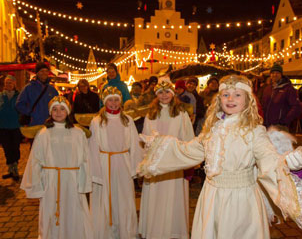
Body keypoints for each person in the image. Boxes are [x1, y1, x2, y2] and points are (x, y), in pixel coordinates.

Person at [138, 74, 302, 239]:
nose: (230, 99)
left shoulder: (254, 132)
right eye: (226, 94)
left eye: (237, 94)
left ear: (247, 100)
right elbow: (188, 151)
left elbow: (269, 160)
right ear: (219, 99)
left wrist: (290, 166)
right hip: (211, 197)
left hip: (241, 200)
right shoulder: (212, 130)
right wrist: (159, 145)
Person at [20, 96, 93, 238]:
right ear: (49, 112)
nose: (58, 112)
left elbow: (85, 159)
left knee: (74, 212)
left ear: (68, 112)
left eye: (62, 109)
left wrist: (84, 182)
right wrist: (36, 184)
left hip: (72, 180)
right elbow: (35, 160)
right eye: (54, 109)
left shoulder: (78, 133)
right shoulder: (43, 134)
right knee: (50, 214)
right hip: (50, 180)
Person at [139, 80, 194, 239]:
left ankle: (173, 230)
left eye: (167, 92)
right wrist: (147, 159)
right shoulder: (151, 114)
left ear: (173, 93)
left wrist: (186, 158)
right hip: (155, 163)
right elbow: (146, 137)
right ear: (156, 95)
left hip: (174, 163)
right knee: (156, 196)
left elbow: (188, 138)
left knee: (173, 196)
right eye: (161, 92)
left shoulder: (181, 113)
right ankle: (154, 230)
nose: (164, 95)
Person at [89, 86, 142, 239]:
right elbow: (92, 146)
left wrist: (135, 168)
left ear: (121, 101)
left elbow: (135, 144)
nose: (113, 103)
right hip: (104, 163)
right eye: (110, 100)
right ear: (104, 101)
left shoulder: (128, 120)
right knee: (104, 198)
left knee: (124, 198)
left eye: (116, 100)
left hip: (123, 163)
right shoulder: (97, 121)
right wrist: (95, 171)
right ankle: (104, 232)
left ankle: (125, 231)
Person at [262, 63, 302, 130]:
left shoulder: (288, 89)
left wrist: (284, 120)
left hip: (280, 126)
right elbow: (263, 105)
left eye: (277, 73)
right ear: (270, 75)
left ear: (281, 74)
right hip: (266, 125)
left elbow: (297, 107)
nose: (275, 75)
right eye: (273, 73)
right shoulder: (267, 89)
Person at [0, 74, 21, 181]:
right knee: (7, 149)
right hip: (3, 127)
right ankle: (10, 167)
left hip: (15, 126)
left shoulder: (19, 96)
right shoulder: (0, 96)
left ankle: (15, 167)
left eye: (10, 82)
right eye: (6, 82)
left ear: (14, 84)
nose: (8, 84)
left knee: (15, 148)